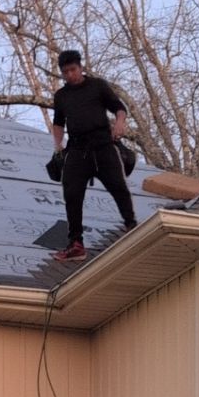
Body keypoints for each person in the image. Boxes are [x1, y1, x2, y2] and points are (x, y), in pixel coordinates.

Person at [49, 49, 138, 262]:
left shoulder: (97, 86)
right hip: (78, 149)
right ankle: (76, 244)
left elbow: (119, 107)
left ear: (80, 68)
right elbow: (58, 122)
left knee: (118, 186)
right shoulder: (62, 96)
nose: (70, 74)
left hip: (103, 145)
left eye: (73, 70)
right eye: (66, 72)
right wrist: (58, 145)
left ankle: (132, 227)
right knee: (71, 193)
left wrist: (119, 123)